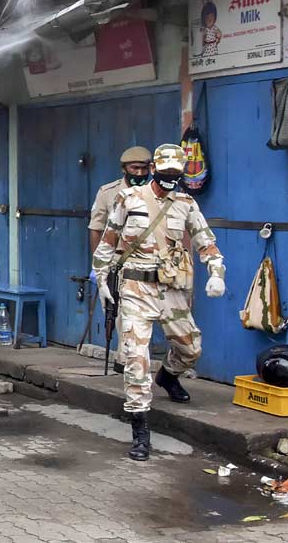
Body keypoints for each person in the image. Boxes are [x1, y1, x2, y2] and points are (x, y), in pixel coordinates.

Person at [91, 144, 225, 461]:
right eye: (165, 173)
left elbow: (207, 242)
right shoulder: (129, 199)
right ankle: (140, 432)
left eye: (175, 175)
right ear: (154, 169)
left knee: (191, 347)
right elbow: (108, 240)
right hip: (136, 288)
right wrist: (100, 278)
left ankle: (168, 376)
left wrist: (216, 272)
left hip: (172, 288)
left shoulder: (186, 204)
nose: (169, 179)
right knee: (137, 360)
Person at [88, 146, 151, 372]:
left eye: (145, 168)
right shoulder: (108, 192)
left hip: (150, 264)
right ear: (124, 168)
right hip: (118, 264)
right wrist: (98, 266)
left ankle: (130, 361)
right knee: (119, 314)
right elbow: (96, 228)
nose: (141, 173)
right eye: (135, 168)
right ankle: (127, 361)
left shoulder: (156, 193)